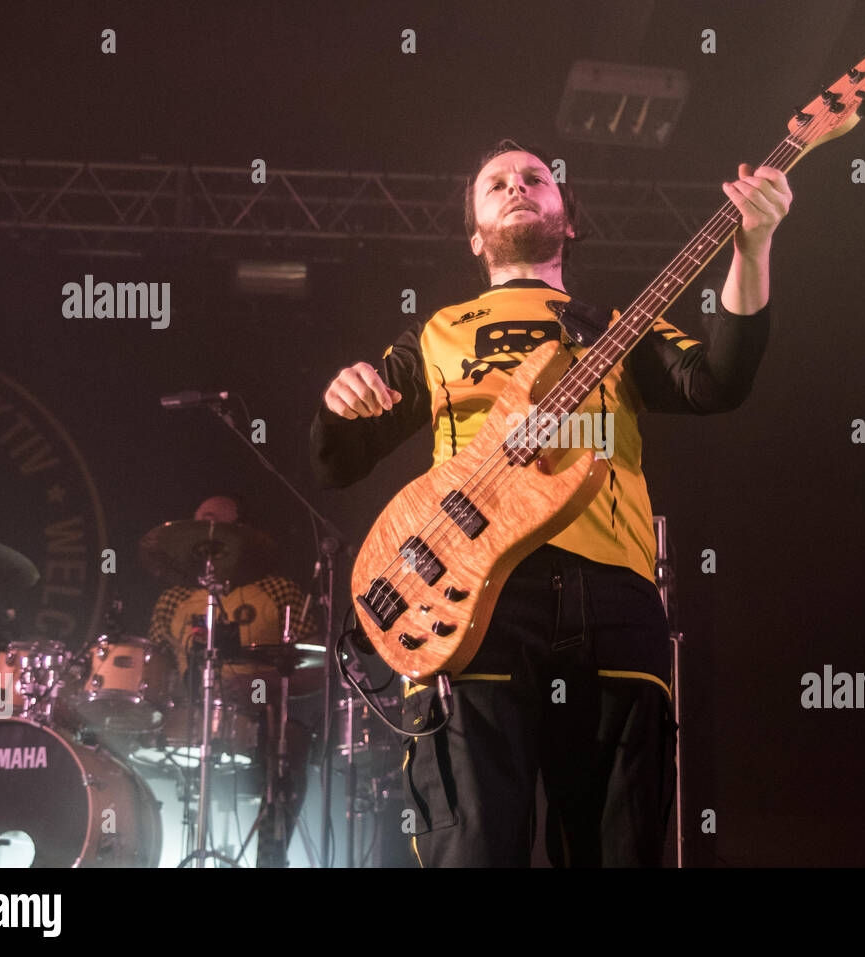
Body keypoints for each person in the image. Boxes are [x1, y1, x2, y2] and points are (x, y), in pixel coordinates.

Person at [310, 139, 790, 866]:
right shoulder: (438, 334)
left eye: (537, 177)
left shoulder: (624, 324)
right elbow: (337, 462)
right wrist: (338, 403)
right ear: (475, 235)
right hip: (469, 596)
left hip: (614, 595)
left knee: (618, 844)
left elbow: (717, 381)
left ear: (568, 219)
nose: (518, 186)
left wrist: (751, 247)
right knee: (473, 845)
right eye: (497, 182)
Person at [146, 494, 318, 867]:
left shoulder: (278, 591)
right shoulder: (172, 599)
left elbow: (315, 668)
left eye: (212, 524)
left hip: (259, 722)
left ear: (239, 535)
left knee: (294, 740)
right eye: (195, 525)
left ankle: (270, 857)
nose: (201, 536)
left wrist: (256, 686)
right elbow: (155, 668)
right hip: (188, 720)